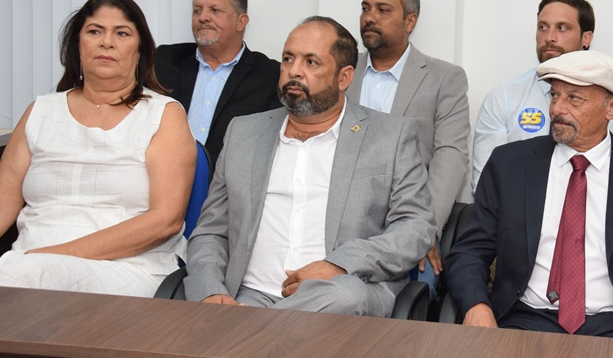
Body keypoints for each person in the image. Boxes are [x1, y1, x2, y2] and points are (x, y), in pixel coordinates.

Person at [183, 17, 435, 316]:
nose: (294, 71)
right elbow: (211, 231)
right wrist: (210, 291)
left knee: (346, 295)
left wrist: (338, 265)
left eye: (311, 62)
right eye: (288, 58)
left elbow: (415, 226)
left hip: (341, 291)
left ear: (343, 78)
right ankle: (257, 329)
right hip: (250, 296)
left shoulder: (390, 135)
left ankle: (250, 331)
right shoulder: (243, 133)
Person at [448, 50, 613, 340]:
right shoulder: (510, 165)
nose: (557, 109)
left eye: (574, 99)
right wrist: (477, 306)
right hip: (524, 319)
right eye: (554, 96)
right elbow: (469, 252)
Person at [0, 0, 195, 297]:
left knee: (21, 279)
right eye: (95, 31)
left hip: (127, 269)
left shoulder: (164, 115)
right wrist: (40, 261)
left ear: (140, 52)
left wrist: (52, 256)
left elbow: (165, 221)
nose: (107, 42)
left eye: (122, 33)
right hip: (29, 268)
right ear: (77, 46)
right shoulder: (41, 110)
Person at [347, 0, 469, 291]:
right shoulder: (341, 73)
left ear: (410, 21)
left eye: (383, 10)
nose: (369, 17)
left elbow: (450, 157)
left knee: (413, 298)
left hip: (407, 218)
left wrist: (424, 230)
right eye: (365, 8)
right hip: (343, 219)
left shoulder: (444, 78)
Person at [471, 0, 613, 195]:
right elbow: (486, 185)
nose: (549, 37)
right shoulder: (504, 98)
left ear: (586, 38)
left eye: (562, 28)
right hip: (518, 213)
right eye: (542, 27)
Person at [156, 0, 280, 168]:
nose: (203, 17)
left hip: (227, 183)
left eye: (215, 10)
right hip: (164, 174)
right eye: (197, 10)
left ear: (241, 22)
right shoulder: (164, 60)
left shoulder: (270, 76)